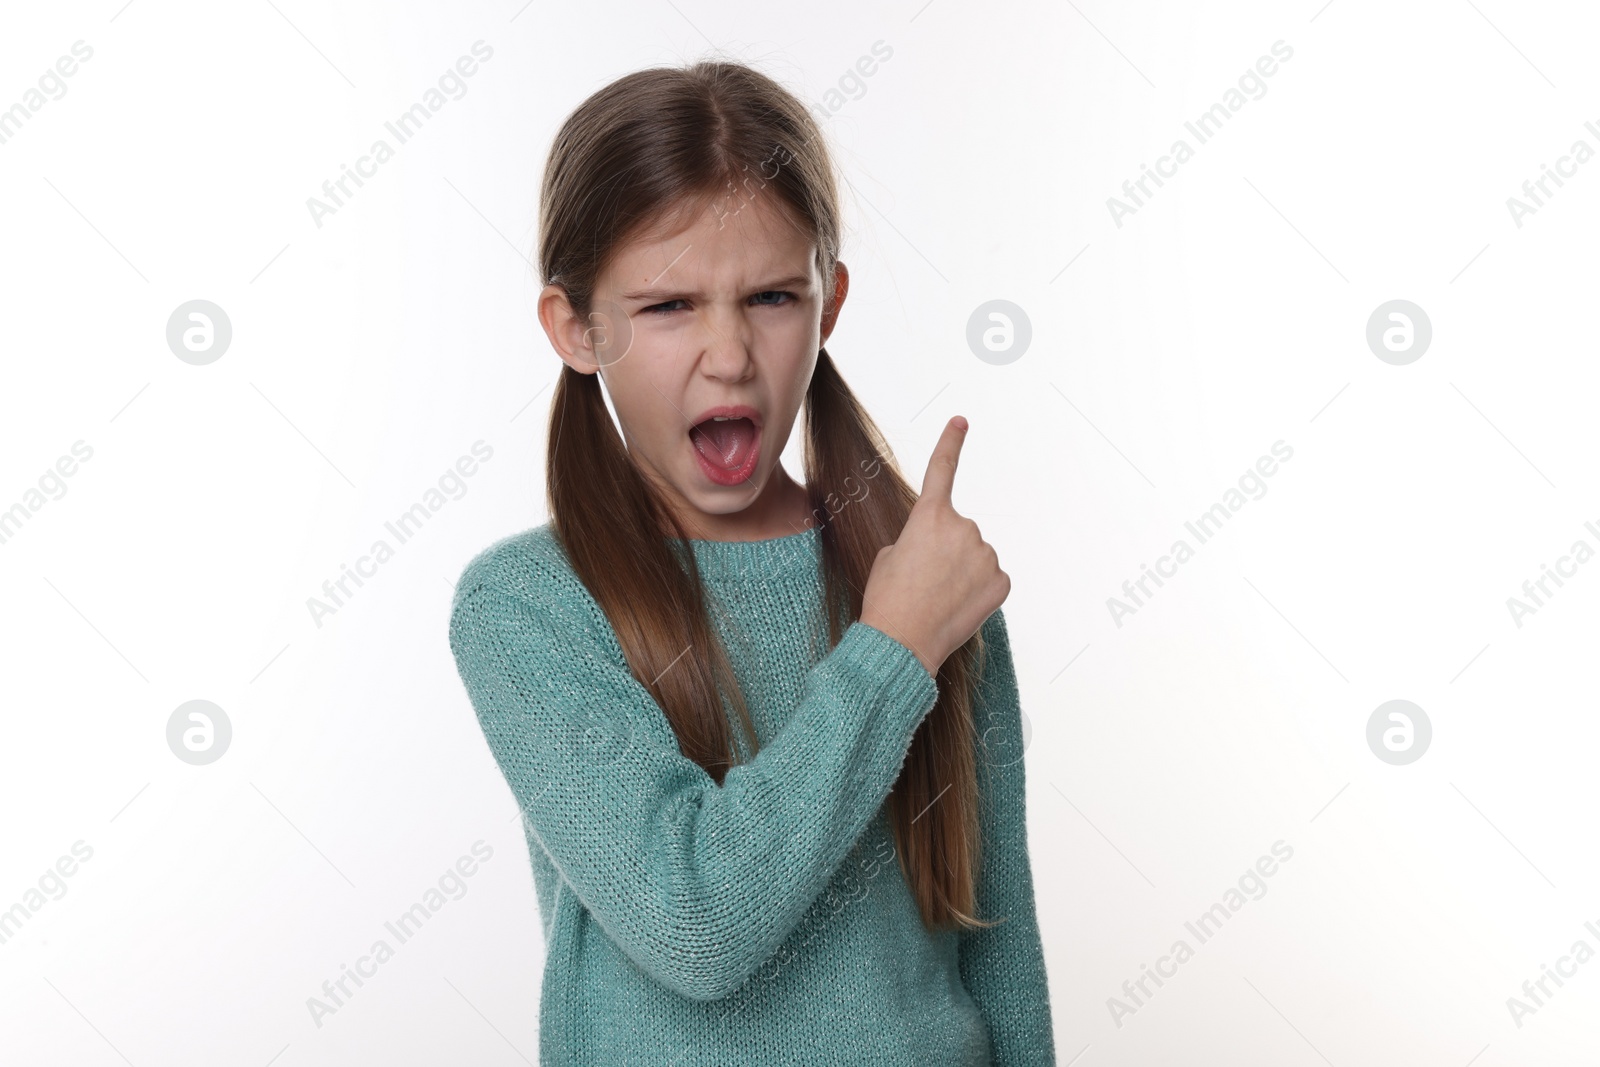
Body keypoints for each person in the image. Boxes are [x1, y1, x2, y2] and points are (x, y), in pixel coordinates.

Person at [448, 57, 1055, 1066]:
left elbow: (1000, 949)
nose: (727, 354)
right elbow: (695, 922)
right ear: (575, 326)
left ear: (830, 303)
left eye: (772, 296)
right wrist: (890, 651)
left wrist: (911, 625)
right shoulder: (526, 606)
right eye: (667, 306)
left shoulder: (925, 578)